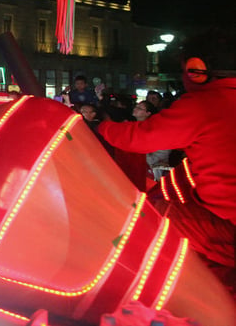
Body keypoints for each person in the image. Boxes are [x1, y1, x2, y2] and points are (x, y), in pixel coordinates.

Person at [97, 28, 236, 275]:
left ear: (197, 71)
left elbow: (141, 138)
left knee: (141, 216)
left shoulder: (205, 103)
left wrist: (101, 127)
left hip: (228, 231)